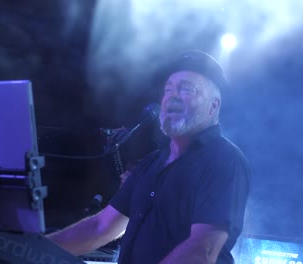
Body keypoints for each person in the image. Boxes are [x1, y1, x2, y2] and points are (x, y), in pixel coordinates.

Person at [47, 50, 250, 264]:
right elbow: (101, 227)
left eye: (186, 89)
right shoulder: (152, 163)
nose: (172, 96)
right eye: (168, 89)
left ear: (213, 106)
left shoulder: (225, 160)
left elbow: (203, 249)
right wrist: (28, 248)